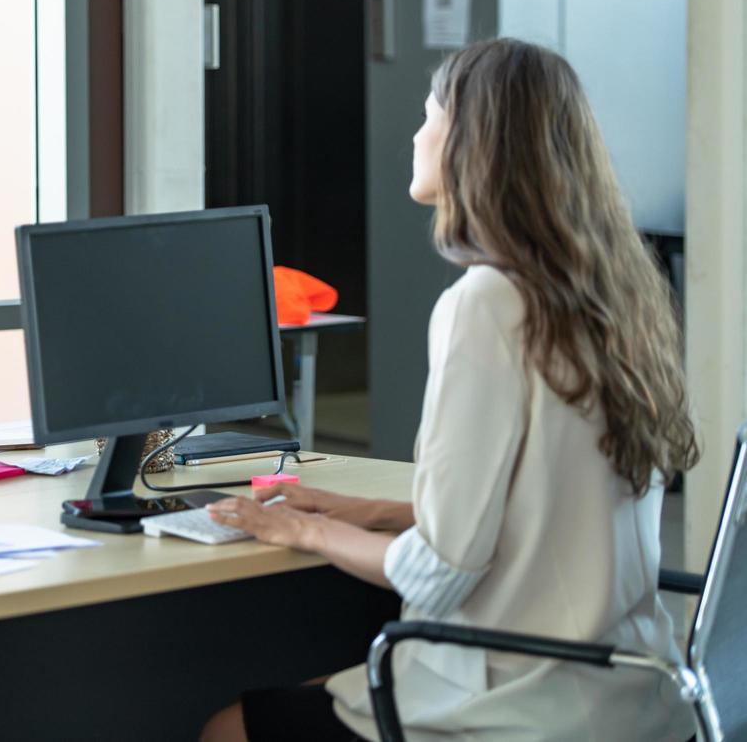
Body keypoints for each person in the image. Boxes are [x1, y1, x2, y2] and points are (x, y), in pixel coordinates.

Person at [200, 38, 699, 741]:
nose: (416, 133)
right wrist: (366, 510)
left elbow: (438, 575)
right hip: (636, 692)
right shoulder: (612, 296)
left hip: (523, 702)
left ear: (471, 143)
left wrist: (306, 529)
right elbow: (540, 515)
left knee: (229, 729)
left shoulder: (486, 304)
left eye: (429, 114)